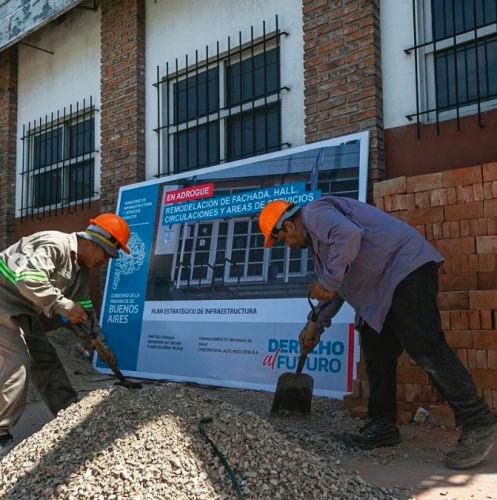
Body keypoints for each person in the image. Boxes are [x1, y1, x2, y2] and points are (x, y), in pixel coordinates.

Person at [259, 196, 497, 470]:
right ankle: (384, 424)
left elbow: (348, 236)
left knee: (427, 348)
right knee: (377, 353)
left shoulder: (315, 212)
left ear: (289, 226)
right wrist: (314, 325)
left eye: (283, 241)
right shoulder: (320, 250)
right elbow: (334, 293)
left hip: (405, 269)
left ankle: (479, 421)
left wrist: (327, 281)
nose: (289, 247)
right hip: (381, 291)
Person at [0, 214, 131, 456]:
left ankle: (69, 414)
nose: (106, 262)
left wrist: (100, 345)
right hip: (2, 299)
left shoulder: (79, 271)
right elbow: (28, 280)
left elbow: (83, 313)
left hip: (23, 308)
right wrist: (64, 306)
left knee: (46, 360)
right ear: (93, 243)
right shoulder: (55, 243)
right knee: (18, 362)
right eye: (107, 255)